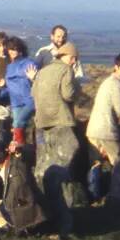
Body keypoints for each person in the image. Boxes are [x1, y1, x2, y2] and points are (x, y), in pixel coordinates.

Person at [30, 41, 81, 218]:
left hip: (41, 124)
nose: (74, 61)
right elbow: (68, 94)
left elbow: (33, 94)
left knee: (44, 166)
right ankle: (65, 212)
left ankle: (44, 209)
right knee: (63, 166)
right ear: (66, 57)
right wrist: (78, 90)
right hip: (61, 121)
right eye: (73, 57)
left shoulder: (42, 71)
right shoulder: (66, 70)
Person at [0, 138, 61, 238]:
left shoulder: (17, 164)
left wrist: (20, 149)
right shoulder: (9, 166)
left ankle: (12, 228)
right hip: (28, 210)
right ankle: (12, 227)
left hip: (28, 213)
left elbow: (28, 153)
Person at [86, 52, 120, 170]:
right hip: (106, 131)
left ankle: (95, 189)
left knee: (95, 166)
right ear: (116, 67)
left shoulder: (107, 81)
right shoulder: (115, 84)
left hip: (93, 130)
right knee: (119, 164)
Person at [3, 36, 38, 145]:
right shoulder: (9, 67)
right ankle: (20, 150)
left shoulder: (28, 63)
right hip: (15, 103)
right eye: (10, 49)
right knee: (16, 127)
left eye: (15, 48)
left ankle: (20, 149)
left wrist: (34, 78)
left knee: (18, 124)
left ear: (21, 49)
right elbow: (10, 87)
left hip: (29, 101)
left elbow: (38, 80)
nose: (13, 51)